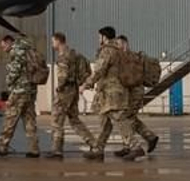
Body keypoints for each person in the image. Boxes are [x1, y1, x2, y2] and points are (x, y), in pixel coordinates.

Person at [83, 25, 142, 161]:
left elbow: (99, 70)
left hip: (112, 92)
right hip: (113, 92)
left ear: (104, 37)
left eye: (99, 36)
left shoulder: (107, 51)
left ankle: (135, 147)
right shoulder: (119, 50)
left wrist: (86, 84)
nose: (98, 39)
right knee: (105, 122)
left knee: (119, 119)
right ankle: (98, 149)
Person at [0, 33, 41, 157]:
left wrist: (8, 83)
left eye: (3, 47)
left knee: (10, 119)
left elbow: (15, 70)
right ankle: (34, 149)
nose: (3, 50)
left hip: (19, 91)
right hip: (30, 90)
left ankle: (2, 147)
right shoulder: (29, 49)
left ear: (9, 42)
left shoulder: (16, 51)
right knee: (29, 120)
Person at [48, 31, 94, 159]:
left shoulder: (63, 56)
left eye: (53, 42)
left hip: (65, 91)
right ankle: (94, 144)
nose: (52, 44)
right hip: (74, 90)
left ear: (58, 41)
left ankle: (57, 149)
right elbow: (87, 68)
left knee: (57, 120)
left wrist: (59, 88)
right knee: (74, 120)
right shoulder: (75, 54)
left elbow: (63, 76)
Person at [115, 34, 159, 155]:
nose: (116, 47)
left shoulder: (131, 57)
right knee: (129, 118)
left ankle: (146, 138)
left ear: (125, 44)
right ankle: (141, 140)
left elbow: (130, 79)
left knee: (127, 118)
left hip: (135, 92)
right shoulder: (127, 57)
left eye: (118, 44)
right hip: (131, 92)